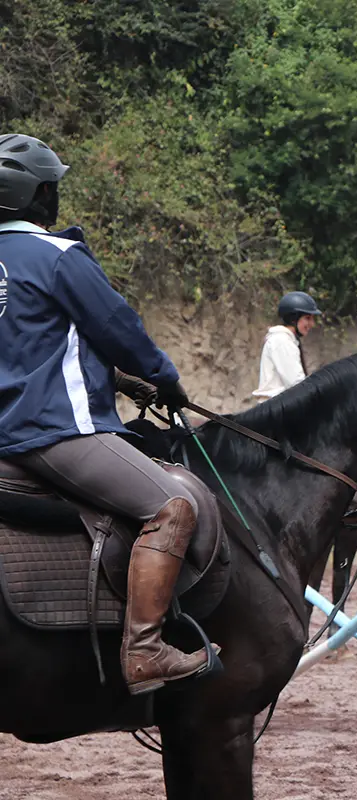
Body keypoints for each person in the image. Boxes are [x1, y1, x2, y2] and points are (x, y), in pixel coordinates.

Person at [0, 133, 210, 694]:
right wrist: (162, 378)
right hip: (53, 434)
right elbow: (119, 330)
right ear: (38, 195)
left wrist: (110, 379)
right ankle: (145, 651)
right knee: (172, 506)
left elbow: (29, 346)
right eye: (53, 186)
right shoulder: (58, 256)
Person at [252, 290, 322, 402]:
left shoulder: (286, 340)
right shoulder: (282, 341)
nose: (312, 324)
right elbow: (297, 384)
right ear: (294, 318)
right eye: (307, 318)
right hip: (277, 411)